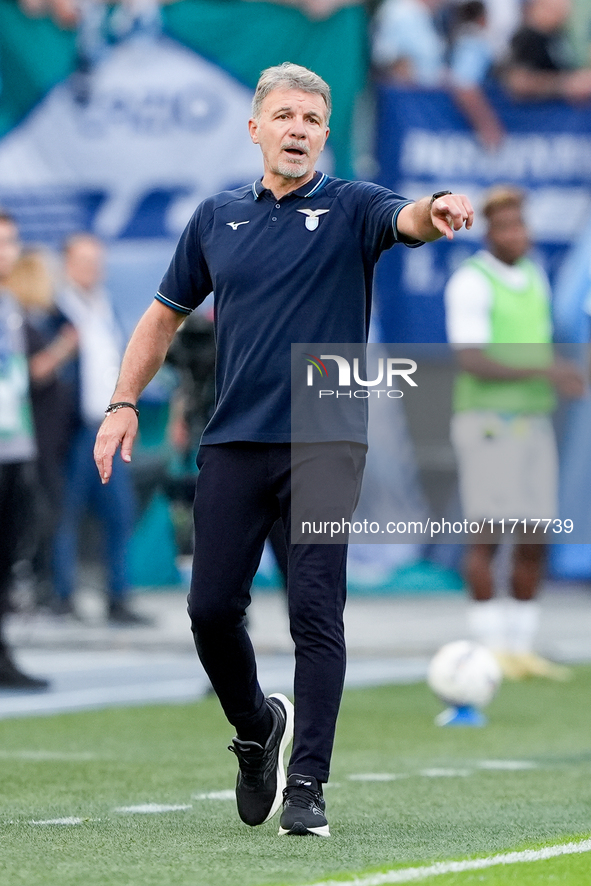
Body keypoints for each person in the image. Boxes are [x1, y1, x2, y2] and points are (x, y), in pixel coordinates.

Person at [94, 62, 473, 836]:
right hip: (233, 438)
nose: (298, 129)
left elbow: (410, 217)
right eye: (286, 116)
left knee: (313, 612)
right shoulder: (214, 217)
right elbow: (162, 318)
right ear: (256, 128)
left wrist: (438, 209)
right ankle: (256, 728)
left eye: (312, 119)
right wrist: (122, 402)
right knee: (208, 611)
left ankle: (308, 785)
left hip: (325, 439)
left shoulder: (353, 206)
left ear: (324, 133)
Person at [444, 185, 583, 681]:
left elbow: (539, 348)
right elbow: (472, 358)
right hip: (487, 423)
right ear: (489, 231)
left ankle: (521, 647)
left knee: (534, 533)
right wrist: (548, 372)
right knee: (487, 534)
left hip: (533, 422)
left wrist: (560, 372)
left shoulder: (533, 276)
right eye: (505, 226)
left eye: (521, 224)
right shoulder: (471, 281)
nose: (516, 234)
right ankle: (487, 649)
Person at [53, 233, 150, 625]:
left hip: (107, 425)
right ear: (68, 264)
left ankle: (118, 597)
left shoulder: (104, 305)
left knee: (120, 514)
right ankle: (62, 597)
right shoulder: (55, 310)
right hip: (72, 430)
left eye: (97, 261)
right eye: (84, 260)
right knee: (66, 514)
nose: (92, 268)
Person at [6, 247, 79, 610]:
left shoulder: (38, 318)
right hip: (30, 436)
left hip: (49, 435)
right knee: (39, 515)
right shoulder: (22, 320)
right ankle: (46, 589)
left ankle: (47, 588)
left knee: (48, 512)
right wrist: (65, 348)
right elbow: (33, 373)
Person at [0, 213, 50, 689]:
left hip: (15, 448)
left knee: (8, 557)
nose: (8, 251)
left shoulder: (11, 303)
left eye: (12, 242)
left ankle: (2, 653)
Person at [502, 0, 591, 102]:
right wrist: (564, 83)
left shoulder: (560, 36)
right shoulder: (528, 38)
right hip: (535, 112)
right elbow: (517, 82)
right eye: (552, 7)